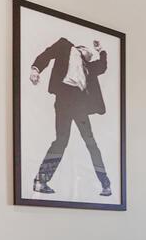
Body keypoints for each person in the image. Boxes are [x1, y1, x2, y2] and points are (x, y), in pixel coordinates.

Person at [30, 35, 112, 196]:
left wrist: (100, 50)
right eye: (88, 51)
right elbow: (48, 53)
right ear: (81, 49)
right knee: (61, 140)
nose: (90, 54)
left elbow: (102, 66)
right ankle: (41, 181)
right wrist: (36, 68)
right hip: (64, 97)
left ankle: (105, 184)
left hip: (79, 103)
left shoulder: (88, 68)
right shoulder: (65, 46)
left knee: (91, 143)